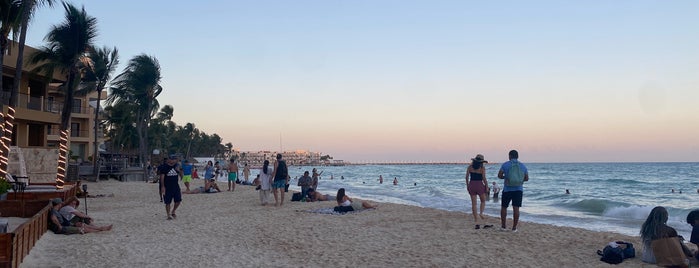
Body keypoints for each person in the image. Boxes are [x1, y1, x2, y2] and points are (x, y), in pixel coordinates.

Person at [497, 149, 529, 232]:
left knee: (504, 207)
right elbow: (526, 178)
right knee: (516, 208)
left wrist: (506, 178)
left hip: (507, 189)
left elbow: (499, 175)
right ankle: (514, 228)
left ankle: (503, 226)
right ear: (517, 156)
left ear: (509, 156)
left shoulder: (505, 165)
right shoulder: (523, 166)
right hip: (518, 189)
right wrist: (518, 180)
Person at [466, 154, 489, 229]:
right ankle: (481, 213)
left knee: (474, 204)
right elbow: (484, 178)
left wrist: (468, 185)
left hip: (472, 184)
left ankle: (476, 222)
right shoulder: (482, 168)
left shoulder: (470, 167)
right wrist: (487, 187)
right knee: (483, 201)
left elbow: (466, 177)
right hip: (479, 185)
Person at [159, 154, 183, 220]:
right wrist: (163, 186)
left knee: (178, 200)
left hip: (175, 186)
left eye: (175, 159)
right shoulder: (164, 167)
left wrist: (179, 171)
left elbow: (181, 176)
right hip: (167, 187)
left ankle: (173, 211)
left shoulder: (177, 166)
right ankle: (168, 215)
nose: (173, 160)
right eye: (172, 159)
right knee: (167, 202)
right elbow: (162, 177)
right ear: (169, 159)